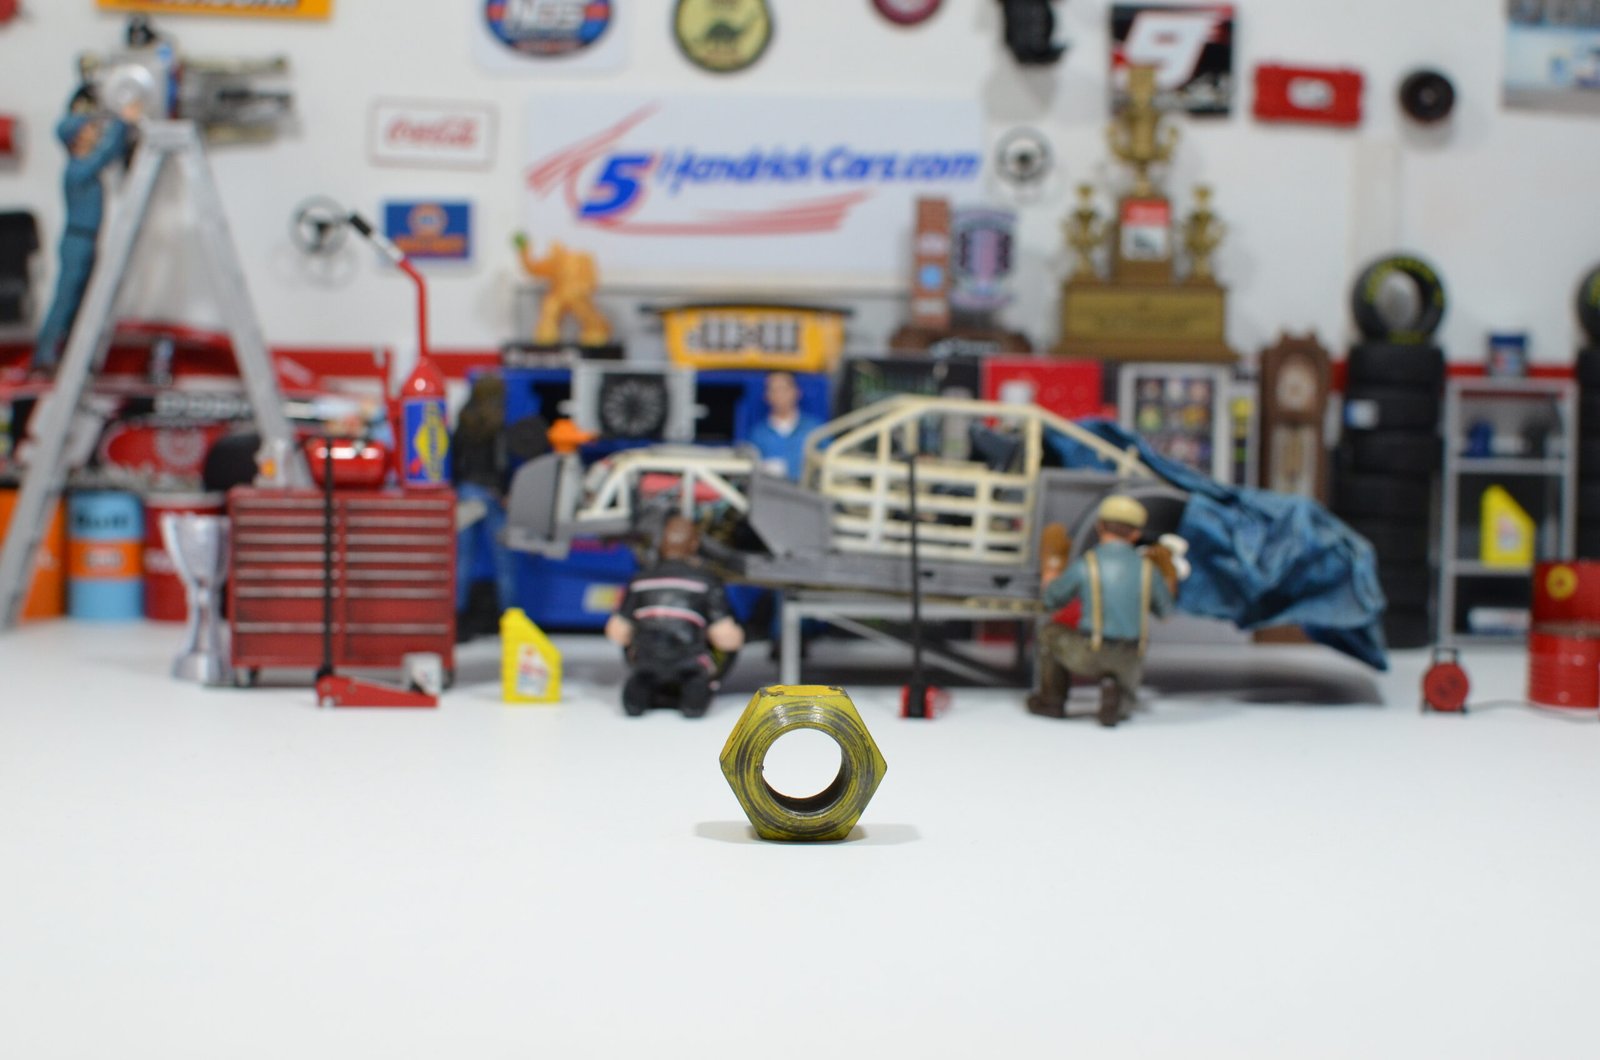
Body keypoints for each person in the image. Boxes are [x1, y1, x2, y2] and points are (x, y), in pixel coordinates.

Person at [1028, 495, 1178, 727]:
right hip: (1131, 656)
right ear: (1135, 534)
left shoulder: (1087, 564)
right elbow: (1166, 613)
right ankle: (1116, 698)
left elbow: (1051, 600)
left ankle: (1052, 701)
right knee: (1125, 703)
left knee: (1049, 633)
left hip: (1091, 652)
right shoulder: (1149, 570)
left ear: (1100, 527)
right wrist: (1169, 577)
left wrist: (1051, 571)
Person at [31, 97, 141, 377]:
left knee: (81, 302)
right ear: (77, 138)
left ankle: (70, 355)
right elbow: (106, 154)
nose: (95, 132)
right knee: (65, 300)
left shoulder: (81, 167)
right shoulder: (77, 170)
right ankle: (44, 356)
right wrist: (122, 123)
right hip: (77, 241)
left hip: (88, 240)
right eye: (90, 129)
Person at [605, 514, 745, 718]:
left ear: (661, 543)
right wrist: (740, 634)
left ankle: (643, 691)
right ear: (694, 544)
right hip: (690, 666)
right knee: (694, 707)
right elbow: (725, 638)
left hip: (646, 663)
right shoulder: (706, 582)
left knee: (633, 706)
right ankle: (693, 693)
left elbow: (616, 632)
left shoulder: (639, 580)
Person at [747, 371, 822, 481]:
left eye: (784, 389)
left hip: (808, 489)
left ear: (796, 392)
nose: (779, 395)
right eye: (773, 390)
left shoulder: (815, 429)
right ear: (766, 396)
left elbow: (827, 462)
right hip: (771, 489)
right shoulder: (757, 433)